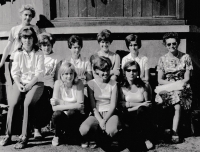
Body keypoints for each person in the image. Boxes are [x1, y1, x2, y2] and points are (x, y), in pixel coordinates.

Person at [0, 26, 45, 149]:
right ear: (20, 39)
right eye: (24, 37)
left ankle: (24, 137)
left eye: (30, 37)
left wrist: (30, 85)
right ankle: (8, 136)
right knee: (13, 103)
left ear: (33, 38)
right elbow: (15, 73)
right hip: (20, 83)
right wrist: (19, 84)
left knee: (27, 104)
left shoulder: (39, 53)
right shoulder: (17, 53)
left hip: (36, 84)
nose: (27, 40)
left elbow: (39, 73)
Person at [155, 32, 193, 143]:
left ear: (178, 43)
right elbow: (160, 79)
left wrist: (177, 85)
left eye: (174, 43)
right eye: (169, 44)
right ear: (165, 45)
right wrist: (170, 85)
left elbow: (187, 78)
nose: (172, 46)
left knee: (177, 102)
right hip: (167, 85)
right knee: (160, 99)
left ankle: (175, 131)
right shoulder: (162, 59)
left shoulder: (185, 57)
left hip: (182, 86)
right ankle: (164, 129)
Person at [79, 56, 121, 150]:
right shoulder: (91, 84)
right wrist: (100, 120)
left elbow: (113, 105)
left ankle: (110, 137)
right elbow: (93, 106)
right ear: (96, 70)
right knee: (84, 130)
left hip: (110, 113)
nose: (106, 73)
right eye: (102, 70)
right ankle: (97, 136)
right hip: (96, 114)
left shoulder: (114, 83)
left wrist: (104, 120)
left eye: (107, 69)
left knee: (111, 130)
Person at [119, 60, 154, 151]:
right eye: (129, 70)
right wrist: (140, 104)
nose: (131, 73)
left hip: (141, 115)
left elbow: (148, 105)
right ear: (125, 72)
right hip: (128, 115)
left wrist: (130, 105)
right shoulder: (121, 86)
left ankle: (145, 139)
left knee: (142, 110)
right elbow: (122, 106)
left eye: (134, 70)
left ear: (138, 72)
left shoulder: (143, 85)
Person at [0, 4, 40, 83]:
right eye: (25, 15)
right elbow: (8, 47)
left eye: (30, 15)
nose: (27, 17)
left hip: (29, 61)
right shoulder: (14, 29)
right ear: (21, 15)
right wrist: (1, 63)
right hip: (15, 60)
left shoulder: (35, 28)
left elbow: (38, 45)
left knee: (29, 85)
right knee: (16, 86)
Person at [33, 32, 61, 139]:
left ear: (52, 45)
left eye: (48, 45)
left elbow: (57, 77)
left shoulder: (56, 57)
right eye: (44, 45)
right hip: (37, 84)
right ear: (40, 46)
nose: (46, 48)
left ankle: (49, 127)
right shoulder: (37, 56)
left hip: (50, 86)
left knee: (47, 98)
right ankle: (37, 129)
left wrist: (56, 91)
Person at [50, 61, 85, 146]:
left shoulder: (79, 83)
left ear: (74, 74)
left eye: (71, 73)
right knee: (57, 114)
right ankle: (57, 135)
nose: (69, 76)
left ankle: (75, 135)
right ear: (61, 75)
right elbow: (54, 108)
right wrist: (74, 105)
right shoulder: (58, 83)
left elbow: (80, 106)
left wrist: (61, 102)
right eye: (66, 74)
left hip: (76, 116)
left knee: (72, 112)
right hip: (63, 116)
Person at [121, 34, 152, 100]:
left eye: (135, 45)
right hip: (129, 84)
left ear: (139, 45)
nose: (133, 48)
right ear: (128, 46)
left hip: (141, 84)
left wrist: (138, 80)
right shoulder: (125, 59)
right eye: (131, 45)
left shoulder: (144, 59)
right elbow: (124, 76)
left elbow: (146, 78)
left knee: (147, 85)